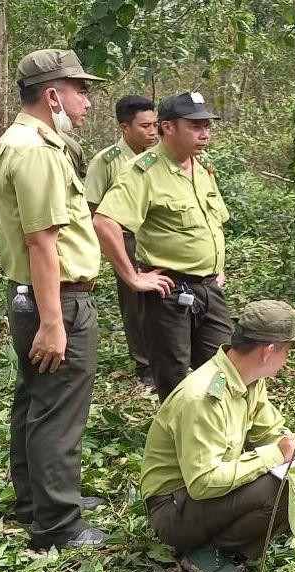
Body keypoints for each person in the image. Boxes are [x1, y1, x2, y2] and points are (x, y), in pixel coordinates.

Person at [0, 48, 107, 548]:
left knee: (35, 400)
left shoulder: (20, 141)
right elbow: (42, 242)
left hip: (33, 297)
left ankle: (39, 499)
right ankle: (59, 525)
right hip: (55, 300)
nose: (87, 101)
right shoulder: (35, 149)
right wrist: (54, 323)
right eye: (80, 90)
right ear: (52, 94)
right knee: (58, 409)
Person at [141, 300, 295, 572]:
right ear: (268, 351)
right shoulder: (203, 398)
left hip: (207, 494)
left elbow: (269, 430)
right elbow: (203, 483)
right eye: (288, 351)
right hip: (174, 508)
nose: (287, 360)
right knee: (280, 488)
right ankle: (210, 552)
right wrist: (276, 454)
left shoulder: (250, 378)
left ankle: (231, 543)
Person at [93, 92, 233, 402]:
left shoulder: (203, 167)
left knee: (222, 368)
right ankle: (176, 436)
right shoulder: (143, 171)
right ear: (167, 127)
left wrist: (217, 266)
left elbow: (215, 220)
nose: (205, 133)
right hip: (169, 292)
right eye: (195, 126)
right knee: (173, 374)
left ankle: (215, 421)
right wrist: (133, 278)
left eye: (207, 125)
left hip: (209, 288)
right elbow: (104, 222)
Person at [85, 95, 159, 386]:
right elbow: (91, 208)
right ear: (124, 128)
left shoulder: (158, 159)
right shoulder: (107, 162)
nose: (152, 132)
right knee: (134, 303)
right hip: (125, 238)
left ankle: (168, 356)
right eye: (145, 126)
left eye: (155, 125)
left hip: (155, 237)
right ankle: (145, 365)